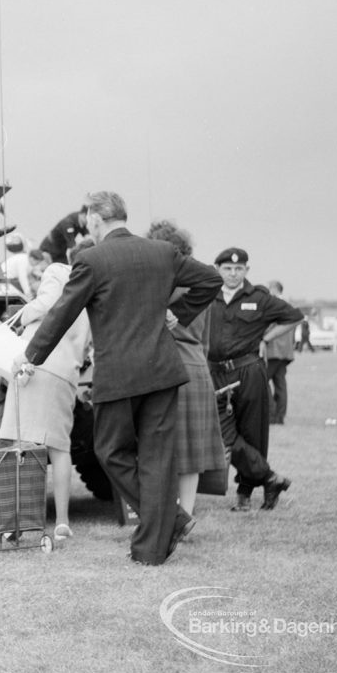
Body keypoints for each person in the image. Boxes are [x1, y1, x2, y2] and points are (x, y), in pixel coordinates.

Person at [15, 191, 222, 565]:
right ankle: (156, 542)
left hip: (119, 375)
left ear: (95, 220)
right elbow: (210, 280)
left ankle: (165, 524)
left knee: (110, 452)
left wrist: (31, 356)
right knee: (158, 459)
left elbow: (61, 314)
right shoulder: (163, 252)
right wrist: (176, 313)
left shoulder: (91, 260)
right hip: (162, 371)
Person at [0, 238, 94, 541]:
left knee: (23, 443)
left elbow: (47, 303)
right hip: (68, 370)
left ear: (70, 255)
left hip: (37, 363)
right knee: (60, 447)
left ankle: (21, 521)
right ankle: (62, 522)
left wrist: (19, 319)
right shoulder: (97, 286)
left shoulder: (58, 271)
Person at [206, 248, 303, 511]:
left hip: (248, 370)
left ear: (247, 270)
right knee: (220, 433)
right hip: (215, 373)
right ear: (217, 269)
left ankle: (244, 496)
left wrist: (266, 338)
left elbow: (295, 317)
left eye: (239, 269)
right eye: (227, 268)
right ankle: (270, 478)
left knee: (253, 434)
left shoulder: (259, 297)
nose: (233, 273)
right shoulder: (206, 295)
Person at [146, 220, 227, 517]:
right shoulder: (201, 288)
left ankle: (169, 515)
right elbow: (206, 341)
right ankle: (187, 514)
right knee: (192, 452)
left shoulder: (160, 287)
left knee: (165, 449)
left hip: (166, 368)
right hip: (196, 368)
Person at [265, 280, 297, 424]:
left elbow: (268, 328)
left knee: (263, 381)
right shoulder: (290, 306)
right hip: (286, 352)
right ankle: (280, 415)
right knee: (280, 384)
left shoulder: (273, 306)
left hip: (273, 350)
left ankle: (271, 413)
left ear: (274, 289)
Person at [1, 234, 33, 302]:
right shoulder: (23, 258)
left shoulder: (13, 258)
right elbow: (22, 277)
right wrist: (28, 294)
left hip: (3, 283)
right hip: (8, 283)